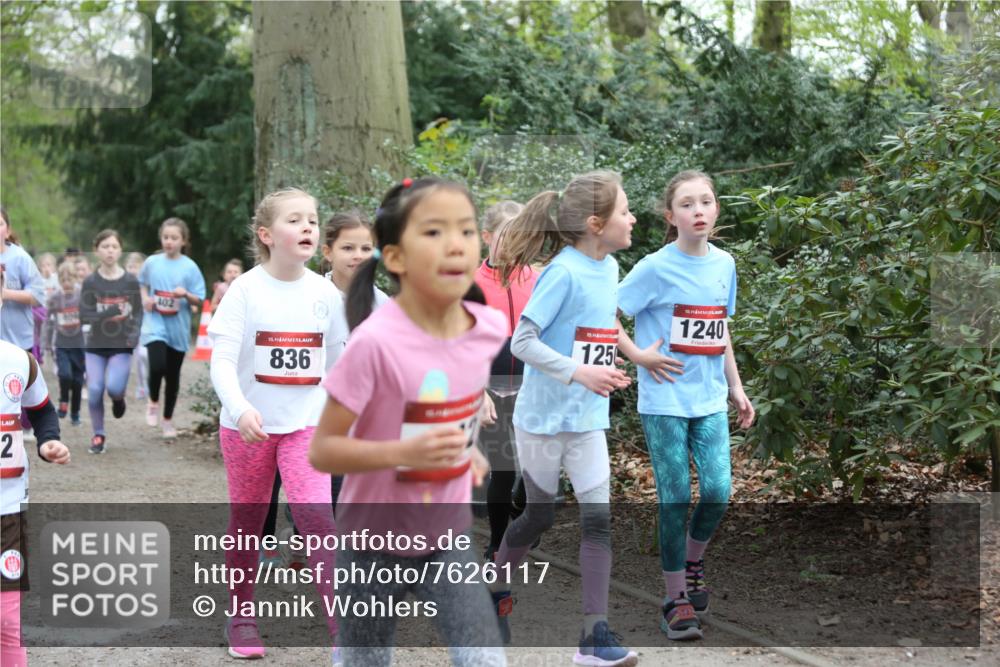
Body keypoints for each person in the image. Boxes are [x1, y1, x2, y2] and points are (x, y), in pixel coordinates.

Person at [308, 176, 506, 667]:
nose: (455, 243)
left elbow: (448, 410)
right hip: (372, 539)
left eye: (465, 230)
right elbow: (324, 450)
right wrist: (402, 453)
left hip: (446, 534)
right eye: (434, 232)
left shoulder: (487, 328)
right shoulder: (374, 342)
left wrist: (468, 451)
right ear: (394, 258)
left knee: (484, 660)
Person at [487, 171, 638, 666]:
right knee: (540, 515)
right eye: (624, 211)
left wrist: (624, 362)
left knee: (599, 523)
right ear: (596, 223)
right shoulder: (563, 272)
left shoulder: (611, 267)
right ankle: (496, 582)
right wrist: (580, 373)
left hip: (588, 419)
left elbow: (600, 324)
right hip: (541, 420)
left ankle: (595, 638)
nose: (632, 218)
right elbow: (523, 342)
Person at [617, 170, 754, 640]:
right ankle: (675, 599)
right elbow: (602, 311)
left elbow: (719, 329)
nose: (699, 211)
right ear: (670, 215)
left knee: (718, 491)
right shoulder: (654, 267)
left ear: (716, 209)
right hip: (664, 401)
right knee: (674, 497)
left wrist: (736, 387)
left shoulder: (724, 264)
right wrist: (637, 355)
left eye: (706, 202)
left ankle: (692, 565)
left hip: (710, 398)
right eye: (688, 204)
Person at [207, 187, 341, 661]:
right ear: (266, 235)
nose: (308, 226)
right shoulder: (245, 290)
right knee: (248, 521)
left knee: (318, 520)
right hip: (248, 427)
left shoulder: (327, 294)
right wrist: (240, 407)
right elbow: (221, 361)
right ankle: (241, 617)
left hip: (305, 426)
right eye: (295, 220)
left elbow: (345, 362)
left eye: (313, 219)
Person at [1, 270, 72, 667]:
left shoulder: (19, 362)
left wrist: (48, 442)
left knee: (7, 618)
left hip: (8, 508)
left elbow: (41, 410)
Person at [473, 201, 540, 559]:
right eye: (506, 235)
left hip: (534, 390)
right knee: (504, 468)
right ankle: (497, 543)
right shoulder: (470, 284)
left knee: (535, 467)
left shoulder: (537, 279)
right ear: (487, 237)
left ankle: (523, 511)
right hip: (490, 391)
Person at [138, 218, 206, 438]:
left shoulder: (190, 267)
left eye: (174, 238)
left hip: (178, 328)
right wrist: (146, 298)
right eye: (166, 237)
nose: (169, 241)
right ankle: (153, 402)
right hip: (155, 323)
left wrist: (185, 294)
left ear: (183, 241)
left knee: (173, 376)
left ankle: (167, 420)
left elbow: (200, 299)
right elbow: (141, 283)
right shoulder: (152, 262)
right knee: (157, 365)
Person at [79, 230, 143, 455]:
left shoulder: (130, 281)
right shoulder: (90, 282)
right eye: (105, 246)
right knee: (95, 390)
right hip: (95, 344)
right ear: (97, 250)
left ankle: (118, 399)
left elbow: (138, 312)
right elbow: (84, 315)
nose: (110, 250)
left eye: (114, 246)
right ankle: (99, 434)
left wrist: (134, 337)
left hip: (121, 344)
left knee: (114, 387)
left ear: (120, 250)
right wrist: (110, 312)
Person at [0, 207, 46, 443]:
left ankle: (26, 424)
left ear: (8, 230)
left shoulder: (20, 258)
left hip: (18, 336)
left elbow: (38, 295)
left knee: (20, 387)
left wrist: (5, 294)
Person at [43, 261, 85, 425]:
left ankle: (75, 413)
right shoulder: (55, 298)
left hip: (79, 344)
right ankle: (63, 401)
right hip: (62, 344)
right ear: (59, 280)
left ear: (76, 278)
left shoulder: (82, 295)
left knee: (77, 381)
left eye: (70, 279)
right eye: (63, 280)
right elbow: (48, 321)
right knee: (65, 374)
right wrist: (47, 343)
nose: (67, 283)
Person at [125, 252, 149, 400]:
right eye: (130, 266)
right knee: (136, 358)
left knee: (143, 355)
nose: (133, 270)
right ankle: (141, 387)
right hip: (128, 326)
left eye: (136, 267)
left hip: (145, 325)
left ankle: (147, 384)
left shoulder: (146, 286)